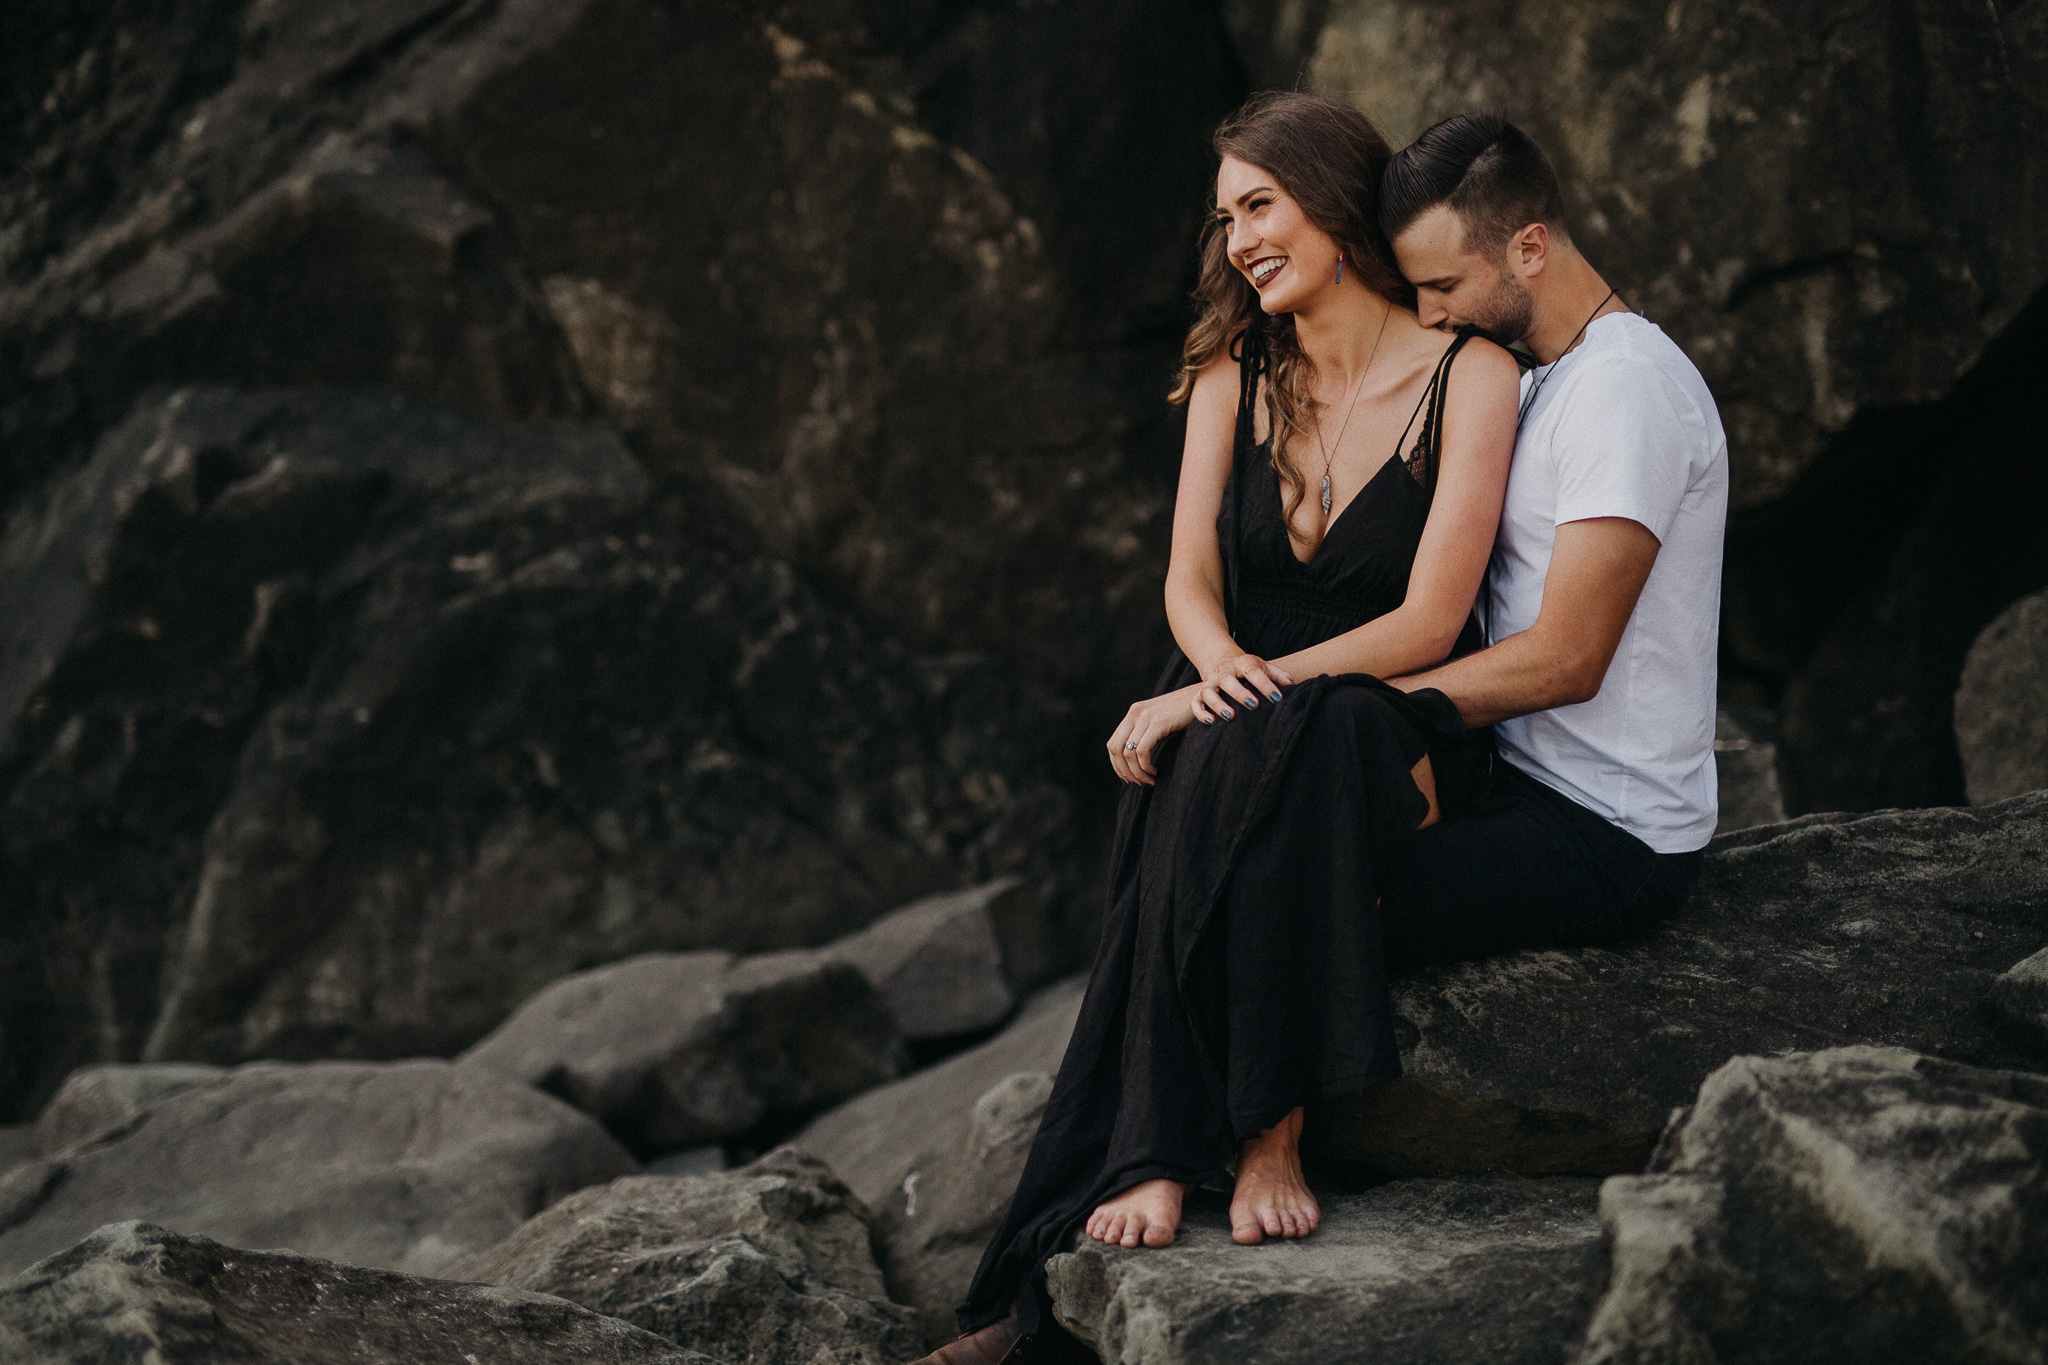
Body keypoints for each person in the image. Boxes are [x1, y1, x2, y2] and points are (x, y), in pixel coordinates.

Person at [908, 91, 1522, 1365]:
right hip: (1247, 697)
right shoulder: (1228, 367)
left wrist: (1232, 689)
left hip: (1390, 723)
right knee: (1234, 741)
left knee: (1270, 735)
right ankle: (1187, 1156)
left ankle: (1239, 1136)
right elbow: (1187, 579)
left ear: (1333, 203)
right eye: (1224, 216)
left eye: (1259, 205)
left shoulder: (1472, 374)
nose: (1238, 238)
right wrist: (1216, 665)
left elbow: (1431, 618)